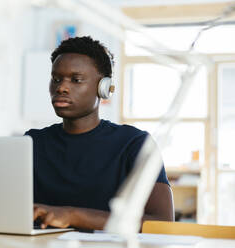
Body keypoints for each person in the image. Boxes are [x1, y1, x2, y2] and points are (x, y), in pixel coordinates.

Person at [25, 36, 174, 231]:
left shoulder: (135, 143)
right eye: (56, 79)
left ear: (104, 88)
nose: (61, 87)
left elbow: (162, 222)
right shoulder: (32, 142)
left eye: (76, 80)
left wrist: (72, 215)